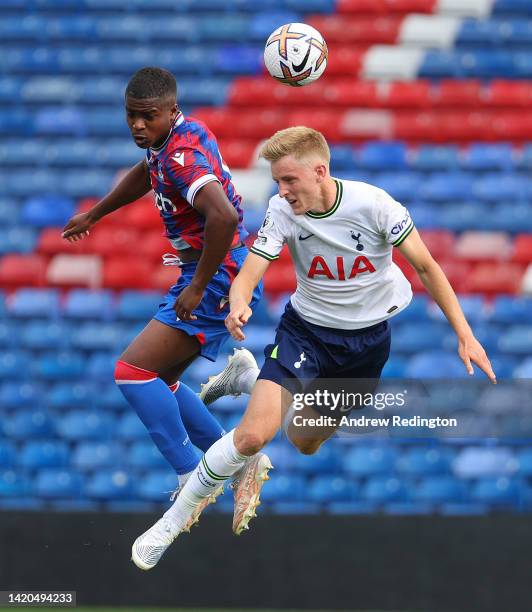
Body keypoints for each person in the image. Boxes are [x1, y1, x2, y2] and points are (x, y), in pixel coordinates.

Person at [131, 126, 496, 570]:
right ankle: (171, 522)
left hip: (366, 345)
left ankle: (248, 376)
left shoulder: (376, 206)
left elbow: (426, 266)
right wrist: (241, 301)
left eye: (289, 180)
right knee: (251, 436)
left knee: (303, 440)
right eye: (277, 181)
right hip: (305, 333)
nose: (281, 191)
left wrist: (465, 333)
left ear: (319, 171)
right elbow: (254, 266)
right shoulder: (282, 211)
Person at [61, 67, 267, 536]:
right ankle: (235, 463)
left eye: (147, 117)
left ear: (170, 111)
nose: (137, 125)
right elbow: (146, 173)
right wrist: (96, 212)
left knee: (132, 373)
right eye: (131, 116)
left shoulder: (181, 155)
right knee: (164, 381)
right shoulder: (173, 138)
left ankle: (189, 474)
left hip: (215, 277)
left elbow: (224, 215)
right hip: (207, 271)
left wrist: (198, 285)